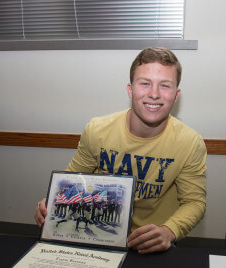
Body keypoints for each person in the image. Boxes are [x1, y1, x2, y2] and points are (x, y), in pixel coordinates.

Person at [34, 47, 207, 254]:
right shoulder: (97, 130)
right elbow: (72, 179)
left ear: (176, 95)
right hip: (96, 233)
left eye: (165, 86)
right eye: (145, 83)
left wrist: (169, 231)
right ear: (130, 90)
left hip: (151, 240)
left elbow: (194, 202)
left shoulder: (190, 142)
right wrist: (53, 200)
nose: (154, 94)